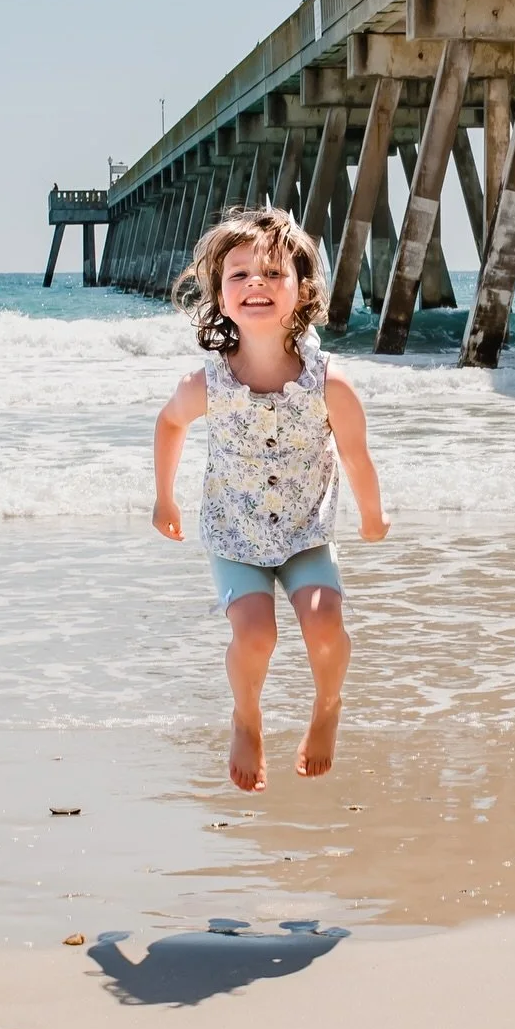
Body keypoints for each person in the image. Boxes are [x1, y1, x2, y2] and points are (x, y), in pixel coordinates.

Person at [152, 206, 389, 792]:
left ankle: (327, 706)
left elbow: (356, 456)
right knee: (256, 634)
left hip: (307, 535)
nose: (255, 283)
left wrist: (371, 514)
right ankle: (246, 716)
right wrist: (165, 499)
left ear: (302, 290)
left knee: (325, 625)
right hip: (235, 537)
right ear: (219, 294)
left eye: (272, 273)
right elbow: (169, 425)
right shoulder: (206, 384)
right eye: (239, 275)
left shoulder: (329, 383)